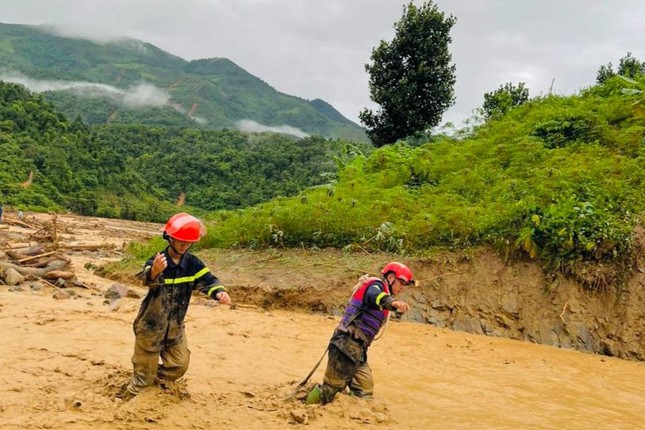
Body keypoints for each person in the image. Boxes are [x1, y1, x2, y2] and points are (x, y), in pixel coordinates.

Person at [123, 212, 231, 398]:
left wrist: (219, 292)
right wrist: (155, 271)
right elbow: (147, 279)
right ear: (169, 238)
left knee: (180, 365)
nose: (183, 245)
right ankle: (127, 402)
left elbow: (208, 281)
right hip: (151, 326)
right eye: (180, 240)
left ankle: (151, 375)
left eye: (188, 241)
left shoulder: (193, 264)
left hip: (175, 328)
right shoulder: (157, 260)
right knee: (141, 385)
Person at [306, 262, 415, 405]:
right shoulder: (375, 286)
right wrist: (392, 302)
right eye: (401, 283)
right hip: (345, 344)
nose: (402, 288)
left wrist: (392, 303)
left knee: (364, 393)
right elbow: (374, 296)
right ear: (390, 277)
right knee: (330, 392)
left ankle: (349, 418)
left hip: (358, 349)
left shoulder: (384, 294)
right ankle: (306, 411)